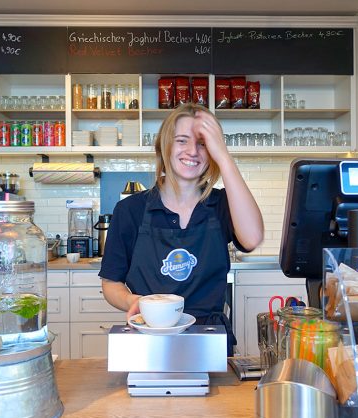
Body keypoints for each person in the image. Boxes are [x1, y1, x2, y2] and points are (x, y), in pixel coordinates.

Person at [99, 103, 264, 355]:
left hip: (209, 340)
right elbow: (111, 283)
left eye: (202, 143)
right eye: (182, 141)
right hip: (147, 335)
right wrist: (133, 302)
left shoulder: (221, 205)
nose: (192, 151)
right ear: (165, 146)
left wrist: (224, 156)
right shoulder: (130, 210)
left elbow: (252, 238)